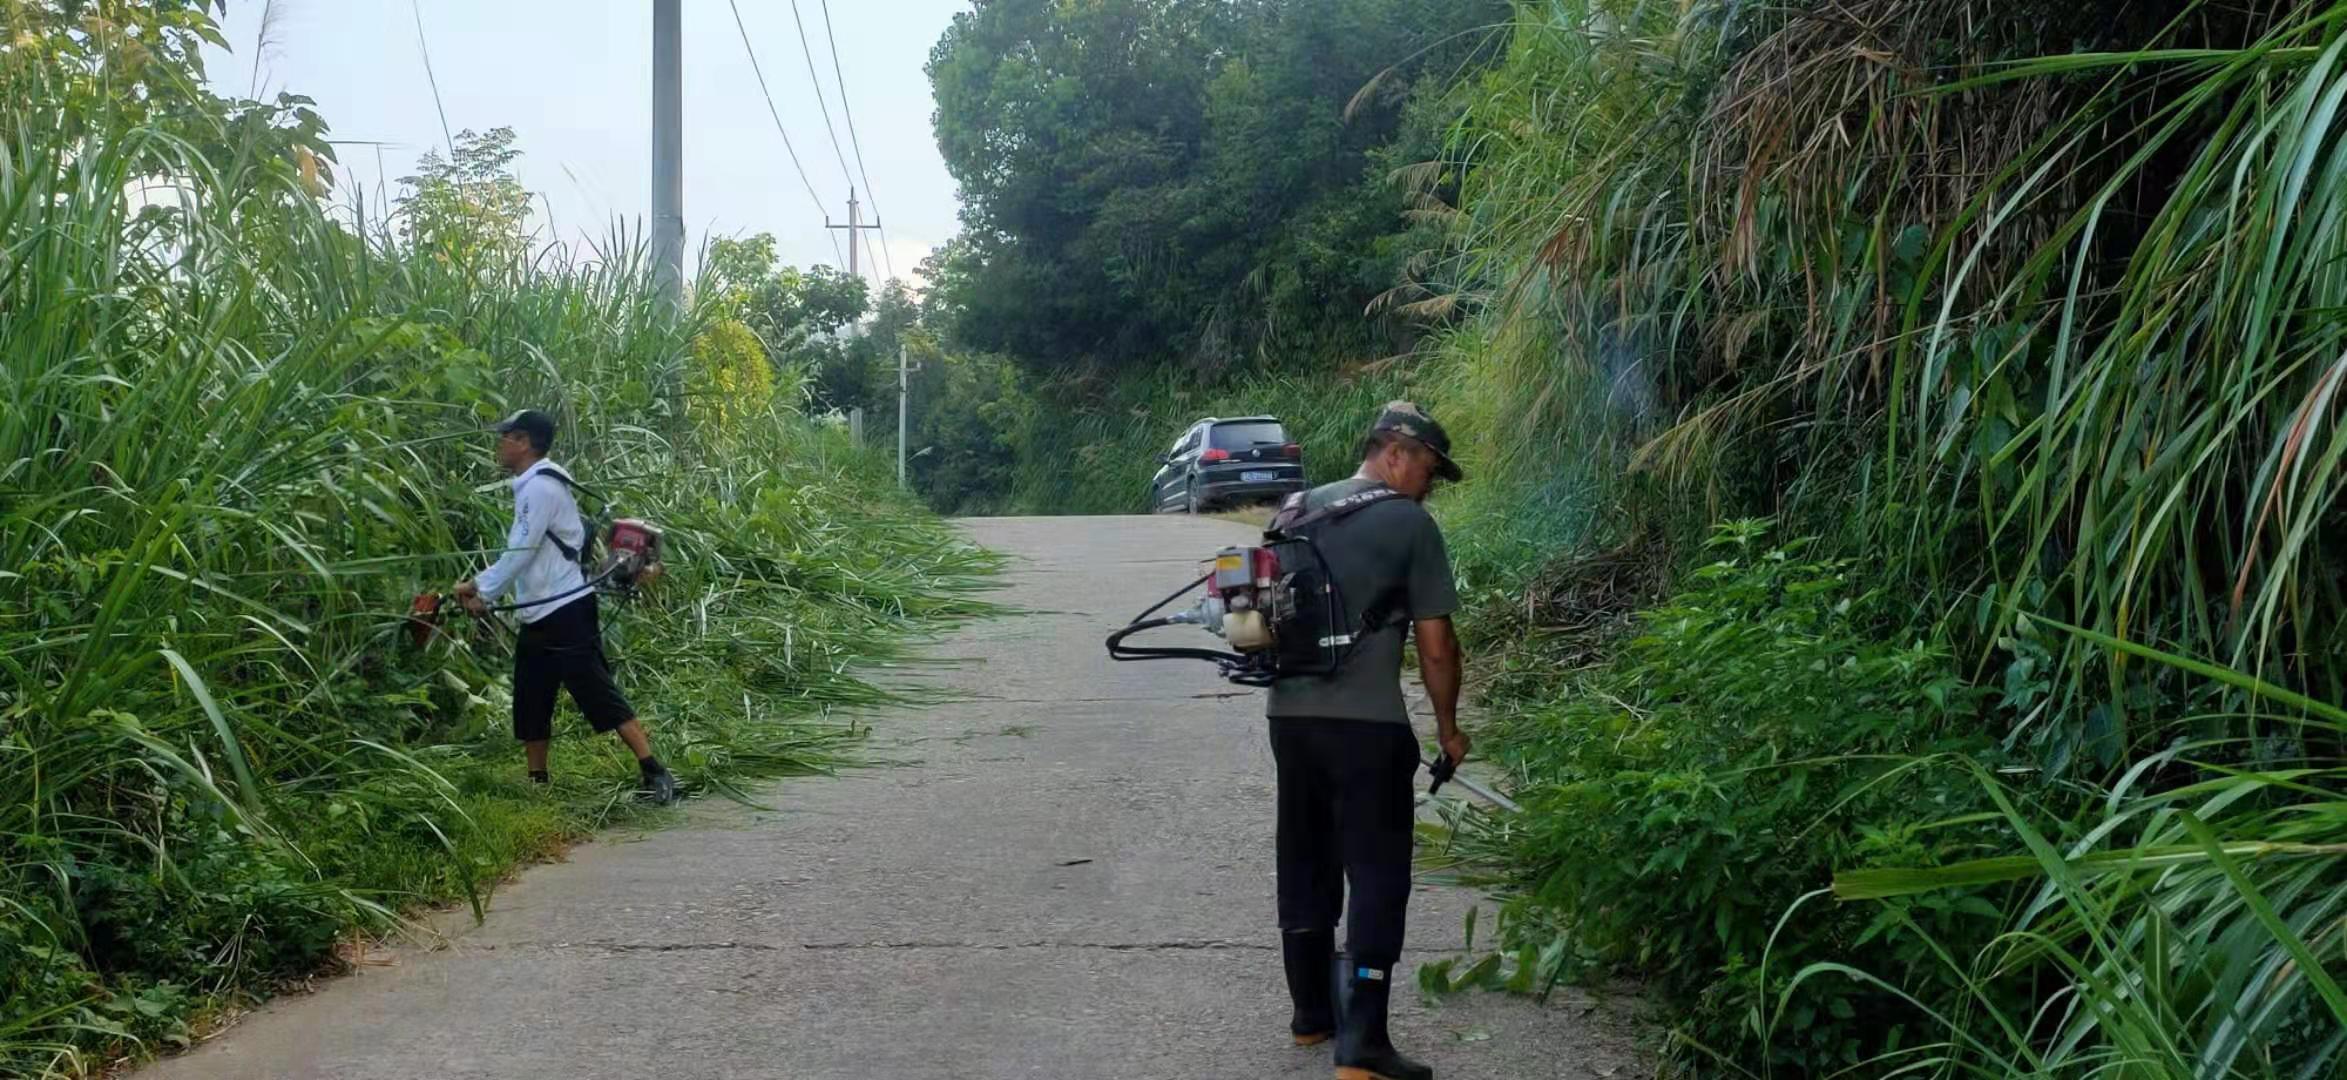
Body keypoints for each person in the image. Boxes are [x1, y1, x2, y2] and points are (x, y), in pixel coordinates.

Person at [1265, 401, 1468, 1080]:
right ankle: (1364, 1046)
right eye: (1429, 470)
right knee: (1377, 874)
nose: (1429, 485)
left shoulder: (1292, 510)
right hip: (1368, 728)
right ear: (1394, 453)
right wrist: (1448, 729)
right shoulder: (1408, 523)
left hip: (1287, 721)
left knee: (1304, 854)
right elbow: (1436, 649)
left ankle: (1310, 1018)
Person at [453, 409, 680, 805]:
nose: (500, 444)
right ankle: (537, 782)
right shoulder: (534, 485)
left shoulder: (540, 488)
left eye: (506, 437)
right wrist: (486, 592)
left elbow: (519, 552)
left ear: (524, 443)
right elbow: (524, 555)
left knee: (596, 690)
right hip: (539, 612)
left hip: (567, 610)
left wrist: (477, 588)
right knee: (530, 696)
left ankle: (655, 772)